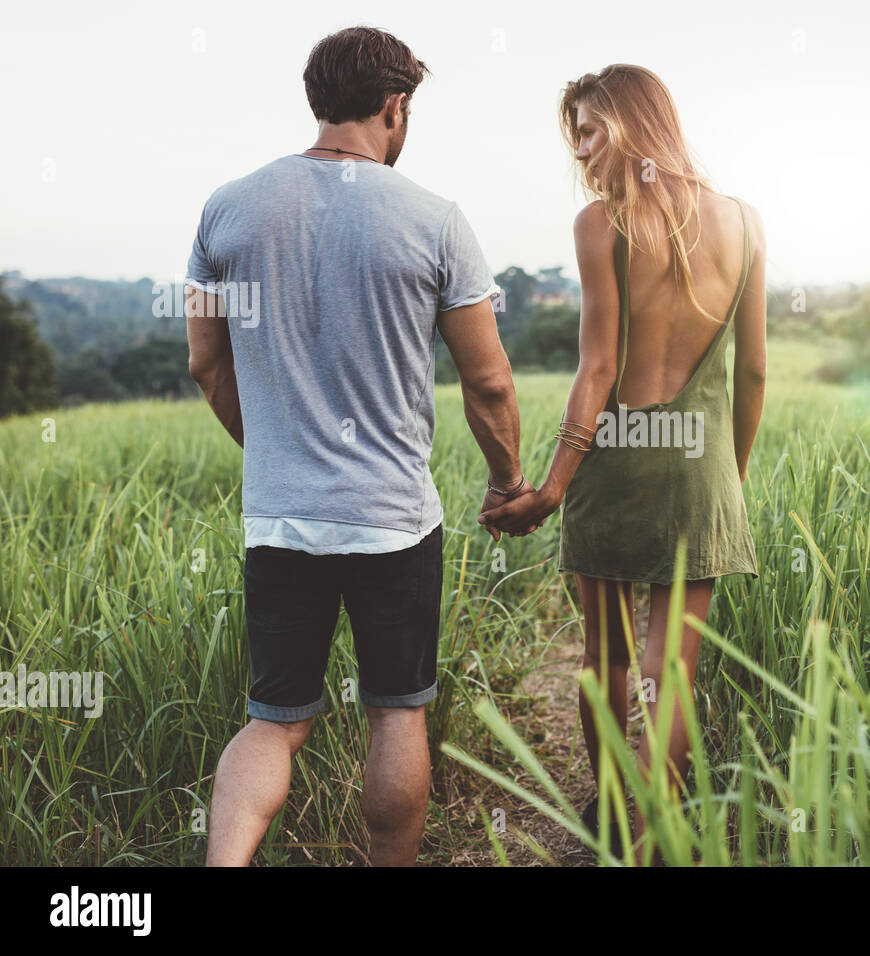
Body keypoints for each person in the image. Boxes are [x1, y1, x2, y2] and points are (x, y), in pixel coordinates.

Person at [185, 25, 536, 866]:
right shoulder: (434, 219)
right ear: (395, 105)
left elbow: (204, 361)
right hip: (392, 523)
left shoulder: (228, 208)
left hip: (279, 520)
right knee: (396, 710)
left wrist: (273, 450)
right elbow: (488, 383)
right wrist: (509, 481)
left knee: (277, 721)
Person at [479, 64, 767, 861]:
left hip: (614, 467)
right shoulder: (745, 221)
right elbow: (754, 372)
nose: (581, 151)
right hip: (700, 470)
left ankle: (610, 818)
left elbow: (598, 372)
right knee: (671, 668)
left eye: (591, 130)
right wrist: (728, 483)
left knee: (606, 658)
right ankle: (657, 828)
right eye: (573, 134)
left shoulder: (600, 226)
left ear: (636, 125)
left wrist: (550, 489)